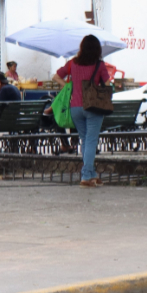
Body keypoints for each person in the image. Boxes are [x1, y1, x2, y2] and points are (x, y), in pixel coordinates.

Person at [54, 35, 111, 188]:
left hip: (75, 107)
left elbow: (56, 76)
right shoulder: (99, 65)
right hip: (93, 107)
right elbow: (107, 83)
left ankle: (92, 174)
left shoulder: (72, 63)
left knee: (85, 140)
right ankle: (86, 176)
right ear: (97, 49)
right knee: (91, 140)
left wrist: (69, 86)